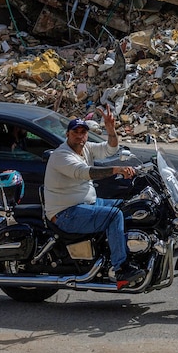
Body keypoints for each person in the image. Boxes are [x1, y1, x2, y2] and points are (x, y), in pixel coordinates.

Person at [43, 106, 145, 287]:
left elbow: (110, 149)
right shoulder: (62, 155)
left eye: (83, 132)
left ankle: (124, 252)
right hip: (66, 212)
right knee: (114, 215)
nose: (80, 136)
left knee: (128, 206)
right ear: (68, 134)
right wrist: (118, 170)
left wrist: (111, 130)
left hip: (87, 203)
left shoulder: (86, 148)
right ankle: (120, 268)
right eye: (76, 132)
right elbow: (84, 172)